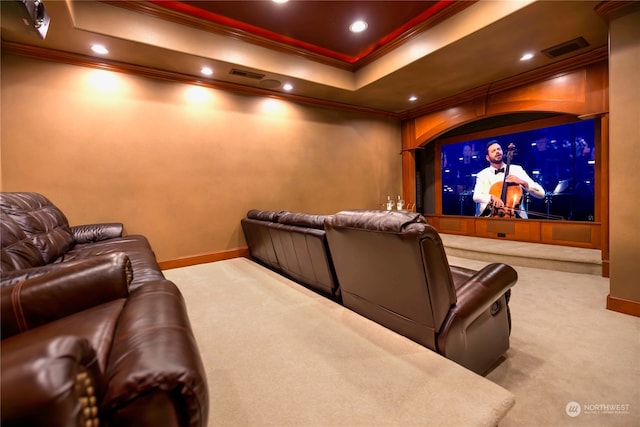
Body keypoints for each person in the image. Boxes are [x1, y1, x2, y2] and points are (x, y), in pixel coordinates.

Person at [473, 140, 545, 218]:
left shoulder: (517, 170)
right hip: (488, 217)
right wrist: (491, 197)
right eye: (493, 151)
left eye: (499, 149)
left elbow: (541, 194)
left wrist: (522, 182)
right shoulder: (482, 175)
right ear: (487, 157)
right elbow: (476, 196)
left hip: (514, 217)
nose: (497, 151)